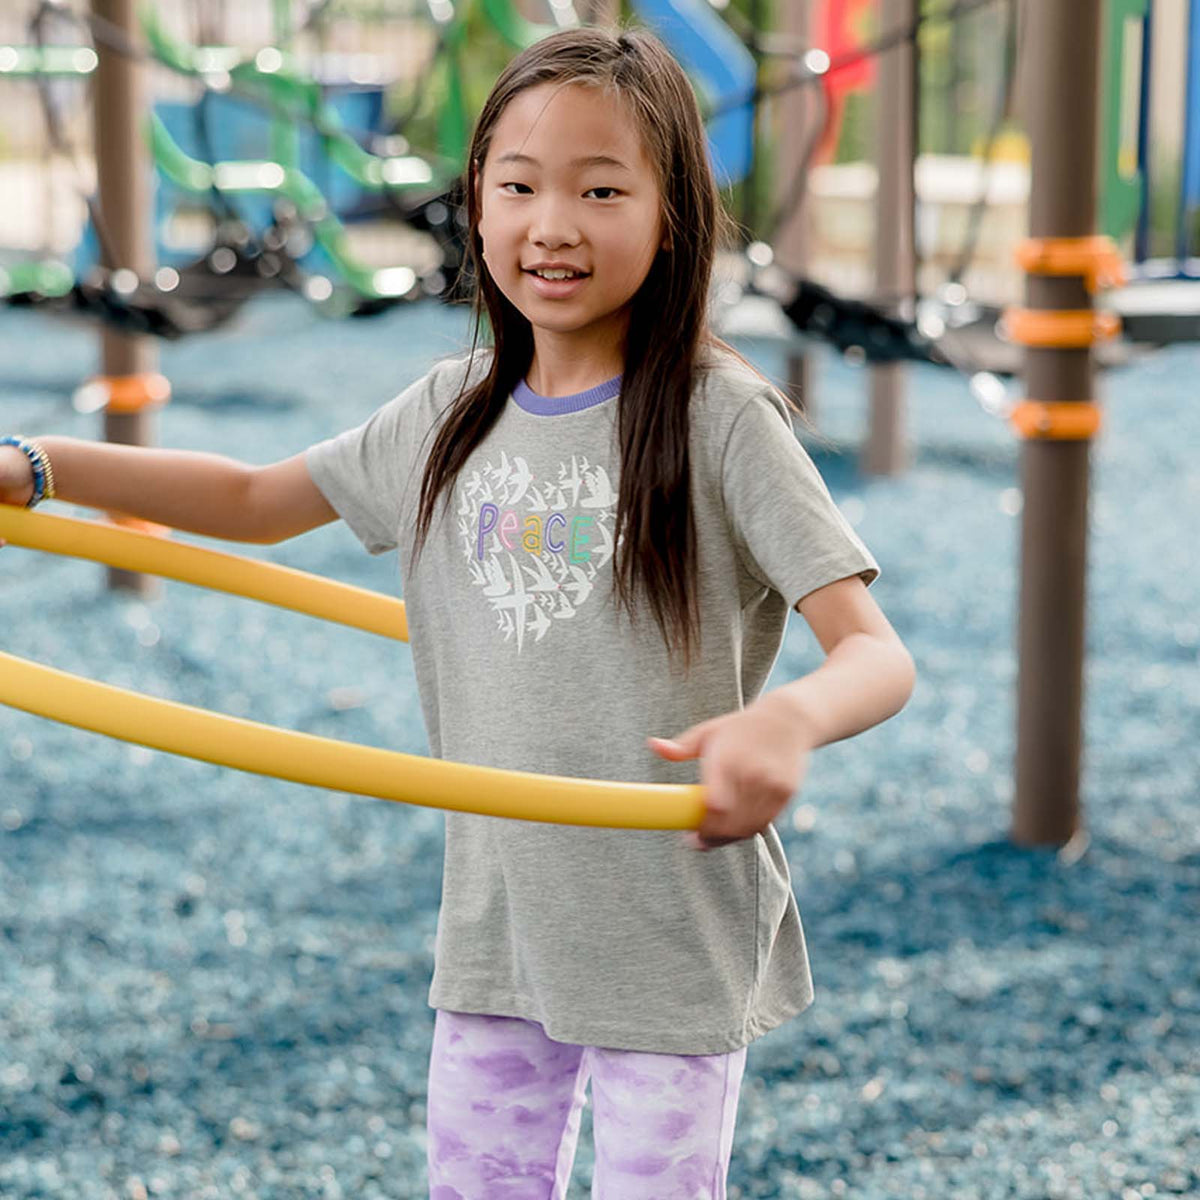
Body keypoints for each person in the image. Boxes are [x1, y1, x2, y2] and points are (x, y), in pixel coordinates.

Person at [0, 25, 915, 1200]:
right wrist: (39, 466)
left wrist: (786, 723)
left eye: (600, 189)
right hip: (496, 930)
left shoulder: (719, 418)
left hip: (663, 933)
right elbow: (253, 500)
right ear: (475, 208)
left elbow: (875, 656)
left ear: (672, 214)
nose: (554, 224)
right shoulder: (449, 414)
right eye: (519, 186)